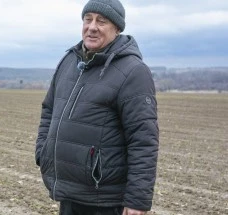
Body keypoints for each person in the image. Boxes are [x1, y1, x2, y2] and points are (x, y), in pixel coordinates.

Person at [35, 0, 159, 214]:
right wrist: (42, 151)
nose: (92, 27)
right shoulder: (69, 61)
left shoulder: (133, 71)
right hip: (69, 193)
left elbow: (143, 139)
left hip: (104, 199)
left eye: (101, 21)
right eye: (87, 19)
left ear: (117, 28)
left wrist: (137, 200)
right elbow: (49, 109)